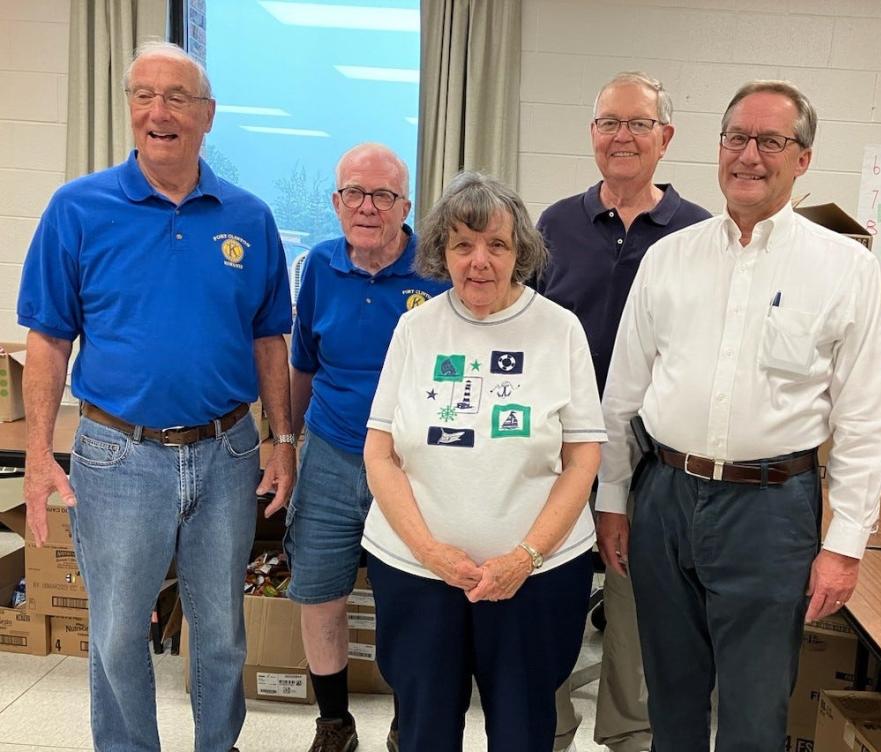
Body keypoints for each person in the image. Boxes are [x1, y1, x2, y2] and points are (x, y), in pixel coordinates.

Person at [17, 41, 296, 752]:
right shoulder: (77, 209)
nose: (158, 111)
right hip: (117, 454)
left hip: (227, 448)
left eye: (176, 97)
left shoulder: (249, 217)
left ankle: (217, 745)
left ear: (206, 116)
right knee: (115, 632)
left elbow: (270, 341)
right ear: (129, 109)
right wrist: (39, 455)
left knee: (221, 633)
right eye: (143, 95)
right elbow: (48, 341)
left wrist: (281, 440)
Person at [598, 80, 881, 752]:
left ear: (802, 158)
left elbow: (864, 422)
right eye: (735, 138)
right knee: (668, 696)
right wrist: (612, 499)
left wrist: (843, 547)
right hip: (664, 495)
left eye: (770, 141)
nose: (748, 155)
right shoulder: (669, 258)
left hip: (770, 509)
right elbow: (622, 395)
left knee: (754, 712)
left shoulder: (843, 269)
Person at [362, 172, 607, 752]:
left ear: (520, 250)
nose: (479, 261)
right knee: (424, 730)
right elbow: (381, 453)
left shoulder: (559, 329)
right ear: (440, 251)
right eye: (462, 244)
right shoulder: (415, 328)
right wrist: (429, 551)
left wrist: (525, 556)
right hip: (418, 572)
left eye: (496, 244)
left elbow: (582, 459)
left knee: (523, 730)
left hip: (537, 576)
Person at [535, 71, 710, 752]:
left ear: (665, 137)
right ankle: (547, 726)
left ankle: (628, 731)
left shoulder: (696, 232)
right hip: (558, 452)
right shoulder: (553, 225)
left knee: (638, 606)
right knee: (550, 591)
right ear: (591, 134)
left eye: (638, 124)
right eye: (609, 122)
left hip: (651, 459)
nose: (622, 137)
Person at [285, 143, 449, 752]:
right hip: (329, 452)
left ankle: (410, 720)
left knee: (409, 599)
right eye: (354, 192)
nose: (367, 206)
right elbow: (303, 364)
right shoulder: (319, 266)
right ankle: (334, 724)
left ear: (406, 205)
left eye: (382, 195)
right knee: (319, 591)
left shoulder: (436, 272)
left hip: (412, 464)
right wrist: (283, 445)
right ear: (336, 201)